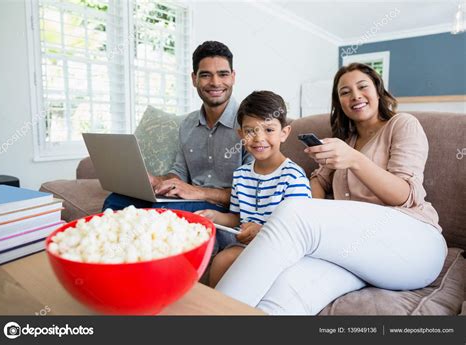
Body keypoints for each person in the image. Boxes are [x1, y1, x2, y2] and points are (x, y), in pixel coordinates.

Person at [215, 63, 448, 315]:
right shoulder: (345, 141)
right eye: (345, 92)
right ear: (339, 102)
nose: (355, 96)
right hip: (358, 256)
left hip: (414, 244)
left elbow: (405, 195)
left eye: (362, 87)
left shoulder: (402, 124)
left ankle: (205, 315)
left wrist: (355, 160)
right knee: (278, 302)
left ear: (378, 91)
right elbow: (317, 185)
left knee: (294, 211)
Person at [102, 41, 252, 250]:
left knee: (160, 213)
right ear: (194, 79)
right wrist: (156, 181)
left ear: (233, 76)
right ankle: (109, 257)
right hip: (190, 199)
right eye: (206, 75)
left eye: (223, 74)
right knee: (116, 201)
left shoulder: (251, 124)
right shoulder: (188, 125)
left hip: (224, 209)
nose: (215, 82)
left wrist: (199, 192)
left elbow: (253, 190)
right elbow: (179, 172)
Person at [196, 91, 312, 287]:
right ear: (241, 134)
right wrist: (214, 217)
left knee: (224, 260)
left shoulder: (293, 176)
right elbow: (236, 217)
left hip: (280, 249)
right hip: (248, 246)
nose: (259, 138)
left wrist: (263, 230)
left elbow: (298, 231)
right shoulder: (241, 175)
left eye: (268, 130)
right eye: (251, 131)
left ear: (284, 133)